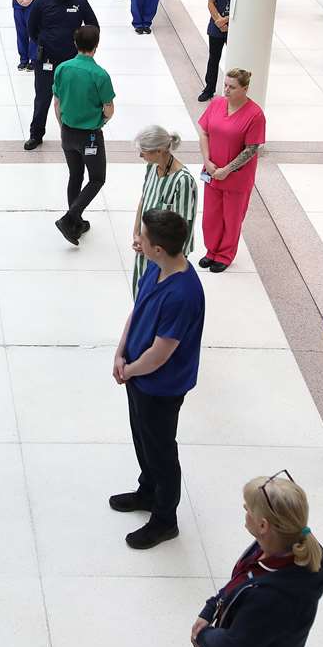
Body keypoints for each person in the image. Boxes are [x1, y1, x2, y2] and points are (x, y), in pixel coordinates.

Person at [193, 473, 323, 647]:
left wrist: (203, 636)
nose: (244, 511)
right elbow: (238, 582)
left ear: (263, 525)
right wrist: (210, 608)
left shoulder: (271, 598)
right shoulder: (283, 548)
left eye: (247, 508)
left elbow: (234, 644)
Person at [110, 209, 203, 548]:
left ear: (159, 248)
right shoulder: (156, 267)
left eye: (143, 238)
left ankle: (165, 519)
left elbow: (161, 352)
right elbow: (138, 310)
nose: (139, 241)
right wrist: (121, 350)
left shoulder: (183, 294)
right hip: (137, 375)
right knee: (143, 438)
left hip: (160, 386)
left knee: (162, 450)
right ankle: (147, 490)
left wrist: (130, 370)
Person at [196, 70, 266, 273]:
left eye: (232, 87)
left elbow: (251, 149)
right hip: (212, 171)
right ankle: (211, 251)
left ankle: (225, 255)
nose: (226, 90)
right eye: (225, 85)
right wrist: (207, 161)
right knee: (211, 215)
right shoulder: (217, 103)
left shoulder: (255, 115)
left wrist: (227, 170)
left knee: (232, 218)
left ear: (245, 89)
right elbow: (204, 131)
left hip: (236, 177)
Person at [52, 24, 115, 245]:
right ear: (96, 47)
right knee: (97, 178)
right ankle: (70, 218)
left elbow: (57, 103)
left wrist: (63, 126)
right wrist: (100, 122)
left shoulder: (62, 68)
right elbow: (109, 108)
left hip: (67, 133)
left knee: (75, 175)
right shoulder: (100, 75)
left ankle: (76, 221)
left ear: (75, 43)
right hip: (89, 135)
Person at [24, 0, 98, 149]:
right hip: (46, 62)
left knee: (72, 100)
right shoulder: (41, 3)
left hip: (72, 63)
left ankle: (72, 136)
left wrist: (85, 49)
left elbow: (93, 27)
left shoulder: (80, 2)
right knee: (42, 99)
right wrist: (45, 42)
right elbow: (31, 29)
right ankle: (36, 135)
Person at [131, 127, 199, 295]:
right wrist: (137, 234)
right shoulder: (151, 168)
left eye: (144, 151)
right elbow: (144, 200)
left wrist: (152, 247)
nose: (141, 156)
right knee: (140, 292)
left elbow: (180, 227)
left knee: (157, 298)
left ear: (159, 151)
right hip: (147, 246)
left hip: (165, 256)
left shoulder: (182, 181)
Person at [199, 0, 234, 102]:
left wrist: (225, 20)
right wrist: (218, 20)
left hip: (234, 27)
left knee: (234, 60)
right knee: (214, 58)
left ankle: (232, 90)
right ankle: (209, 88)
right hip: (216, 27)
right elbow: (211, 2)